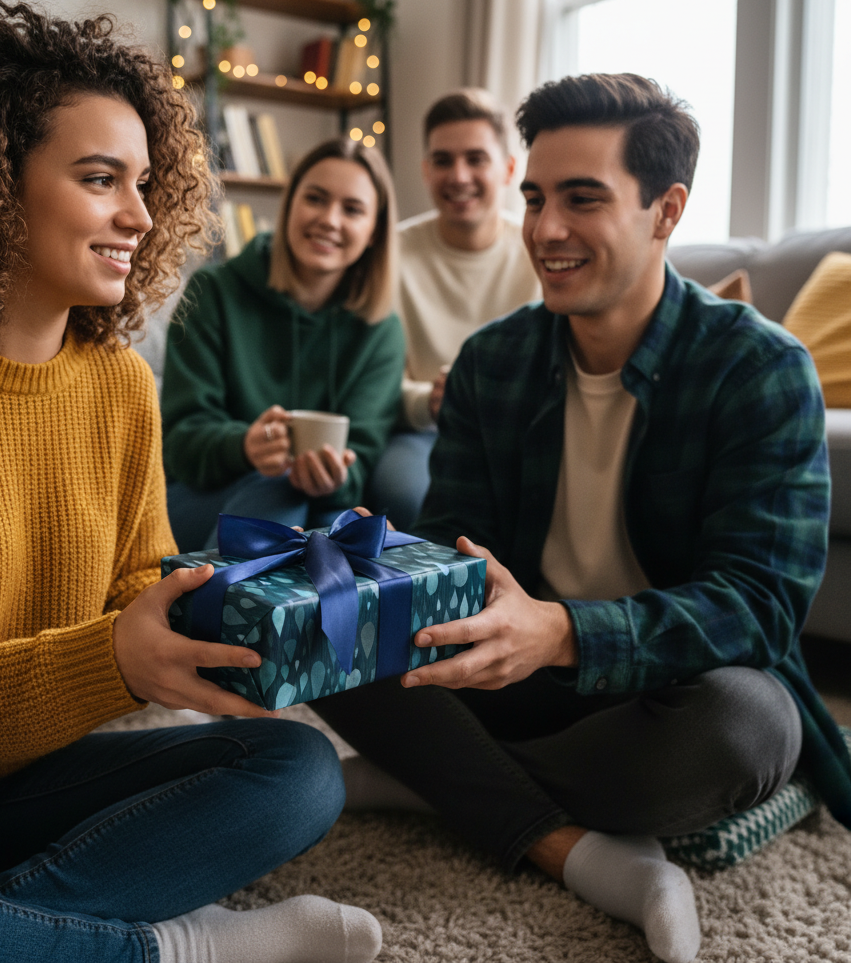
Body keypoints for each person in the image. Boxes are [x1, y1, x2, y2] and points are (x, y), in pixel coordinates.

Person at [0, 0, 383, 963]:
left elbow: (136, 593)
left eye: (143, 182)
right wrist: (115, 660)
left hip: (44, 777)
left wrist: (272, 602)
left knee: (298, 768)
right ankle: (165, 950)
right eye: (99, 179)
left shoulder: (124, 386)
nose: (140, 214)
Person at [314, 73, 851, 963]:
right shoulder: (493, 363)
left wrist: (563, 632)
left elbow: (757, 608)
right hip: (515, 676)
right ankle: (580, 845)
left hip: (666, 687)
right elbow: (455, 560)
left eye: (582, 199)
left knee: (749, 731)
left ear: (665, 210)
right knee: (338, 629)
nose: (544, 230)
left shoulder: (760, 369)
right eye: (534, 198)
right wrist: (383, 574)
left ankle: (433, 782)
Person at [161, 137, 404, 552]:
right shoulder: (214, 292)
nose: (329, 220)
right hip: (204, 499)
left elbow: (360, 464)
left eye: (352, 209)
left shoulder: (381, 331)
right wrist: (244, 447)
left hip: (316, 507)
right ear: (289, 205)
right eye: (315, 198)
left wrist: (336, 478)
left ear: (373, 233)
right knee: (283, 493)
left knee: (348, 531)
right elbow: (179, 443)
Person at [369, 88, 539, 530]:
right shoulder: (390, 252)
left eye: (476, 159)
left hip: (519, 431)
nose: (458, 176)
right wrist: (430, 402)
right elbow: (374, 378)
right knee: (405, 493)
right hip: (424, 431)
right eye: (443, 161)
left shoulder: (540, 250)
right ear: (426, 170)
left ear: (508, 169)